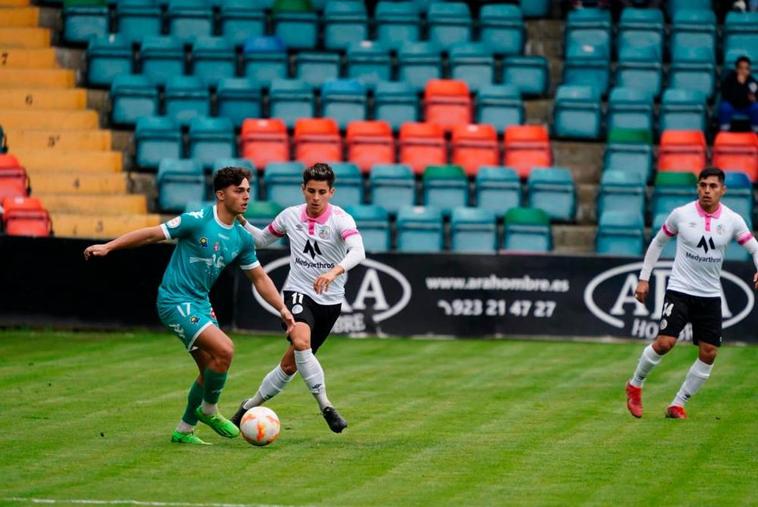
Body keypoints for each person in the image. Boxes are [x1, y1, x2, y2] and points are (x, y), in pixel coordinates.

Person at [84, 168, 295, 445]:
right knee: (225, 349)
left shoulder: (242, 238)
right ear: (221, 194)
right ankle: (209, 411)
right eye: (239, 191)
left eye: (247, 191)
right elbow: (151, 234)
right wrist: (109, 247)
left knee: (209, 369)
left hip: (200, 303)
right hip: (174, 301)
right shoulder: (197, 221)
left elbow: (259, 277)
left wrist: (281, 308)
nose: (246, 196)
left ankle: (183, 430)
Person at [231, 162, 366, 433]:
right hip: (298, 292)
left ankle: (248, 407)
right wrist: (241, 220)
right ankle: (326, 406)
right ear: (302, 189)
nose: (316, 198)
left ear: (331, 192)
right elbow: (261, 241)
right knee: (301, 340)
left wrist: (333, 272)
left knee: (291, 364)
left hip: (330, 302)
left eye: (322, 192)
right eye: (311, 191)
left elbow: (358, 251)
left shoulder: (341, 219)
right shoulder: (289, 216)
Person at [625, 167, 758, 419]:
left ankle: (677, 403)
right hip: (679, 289)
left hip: (709, 295)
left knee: (709, 353)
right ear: (698, 187)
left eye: (713, 186)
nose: (707, 191)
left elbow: (754, 248)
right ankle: (635, 385)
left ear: (723, 190)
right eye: (703, 185)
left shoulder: (732, 220)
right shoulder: (681, 215)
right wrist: (644, 279)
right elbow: (658, 243)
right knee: (665, 343)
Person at [718, 56, 758, 132]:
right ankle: (724, 132)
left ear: (749, 70)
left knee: (756, 107)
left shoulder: (752, 81)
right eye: (741, 68)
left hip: (747, 107)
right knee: (724, 107)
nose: (743, 71)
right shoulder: (729, 80)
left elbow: (755, 96)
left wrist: (755, 99)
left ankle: (756, 133)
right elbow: (727, 96)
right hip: (733, 106)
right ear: (736, 69)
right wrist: (741, 85)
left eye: (746, 68)